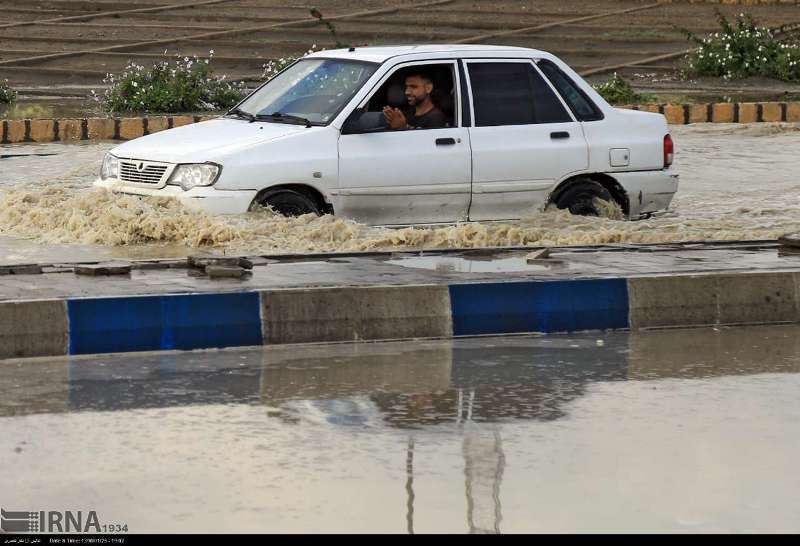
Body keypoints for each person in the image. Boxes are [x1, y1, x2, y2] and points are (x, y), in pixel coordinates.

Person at [383, 72, 448, 130]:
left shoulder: (436, 117)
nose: (406, 92)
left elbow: (426, 142)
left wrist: (403, 128)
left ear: (428, 88)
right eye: (406, 87)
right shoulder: (408, 113)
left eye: (413, 87)